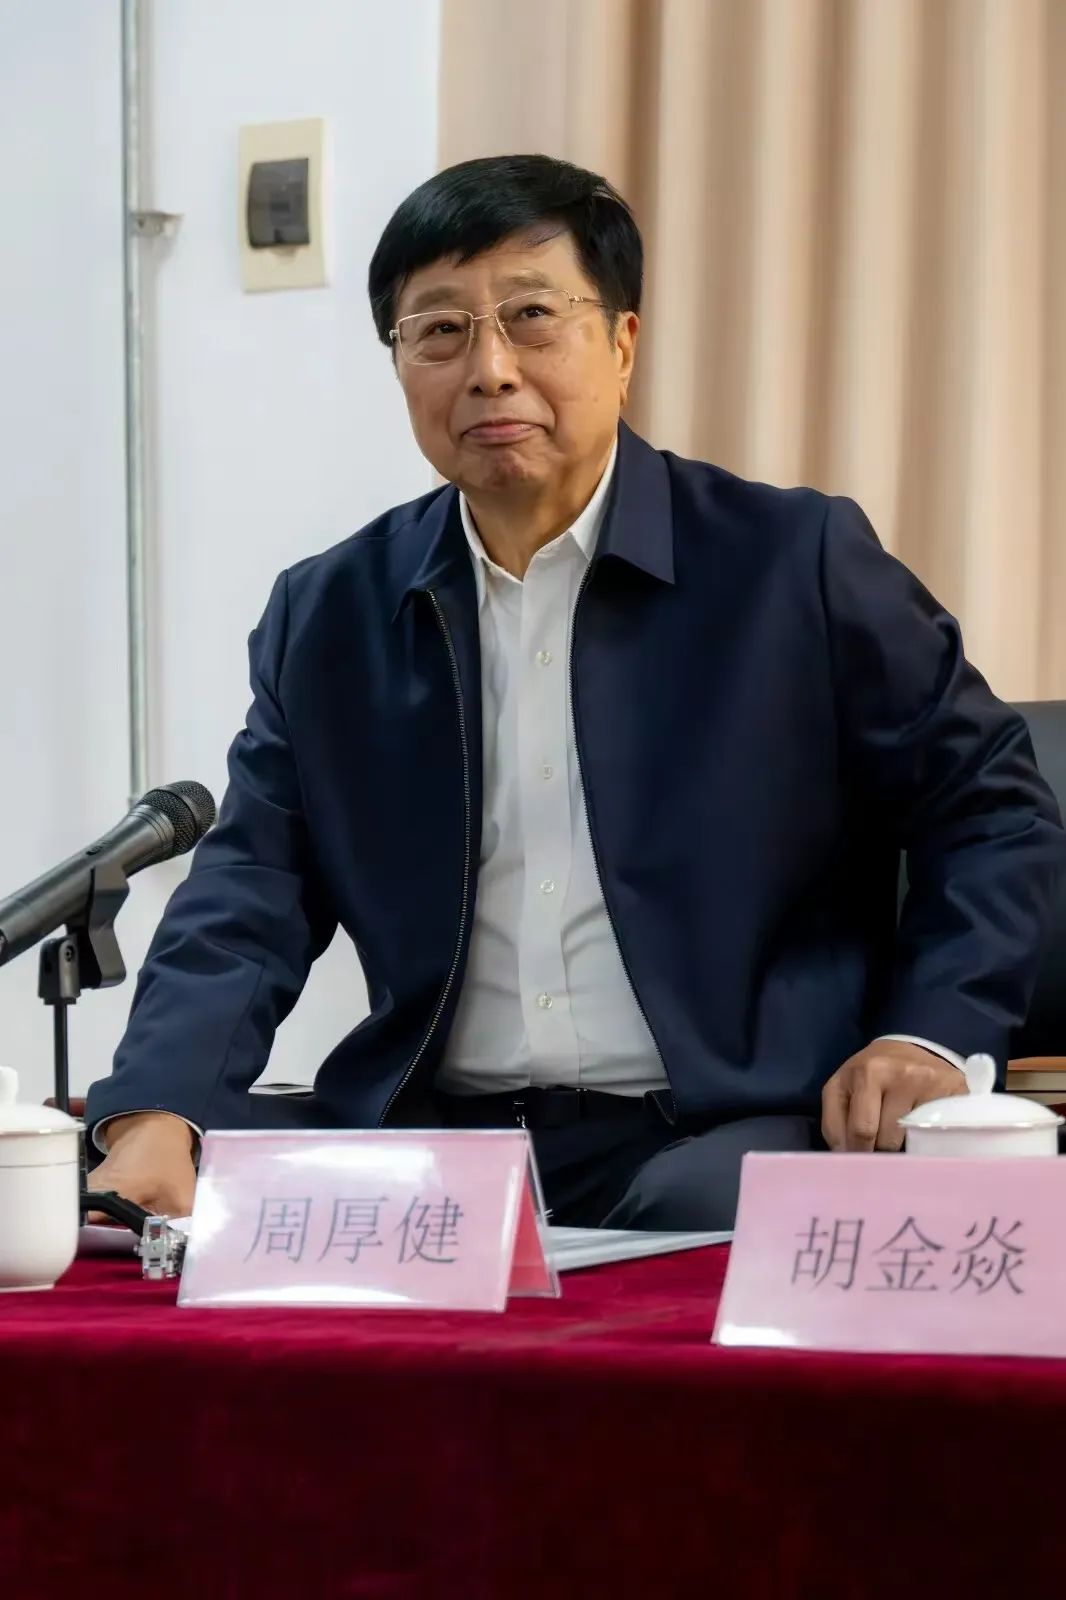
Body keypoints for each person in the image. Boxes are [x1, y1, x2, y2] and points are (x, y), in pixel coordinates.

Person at [85, 153, 1065, 1231]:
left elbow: (992, 813)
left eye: (532, 317)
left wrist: (929, 1035)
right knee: (193, 1194)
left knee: (709, 1214)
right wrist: (158, 1107)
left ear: (623, 343)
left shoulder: (793, 564)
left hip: (726, 1125)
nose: (490, 370)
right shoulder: (328, 615)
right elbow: (249, 892)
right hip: (439, 1140)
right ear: (401, 363)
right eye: (440, 331)